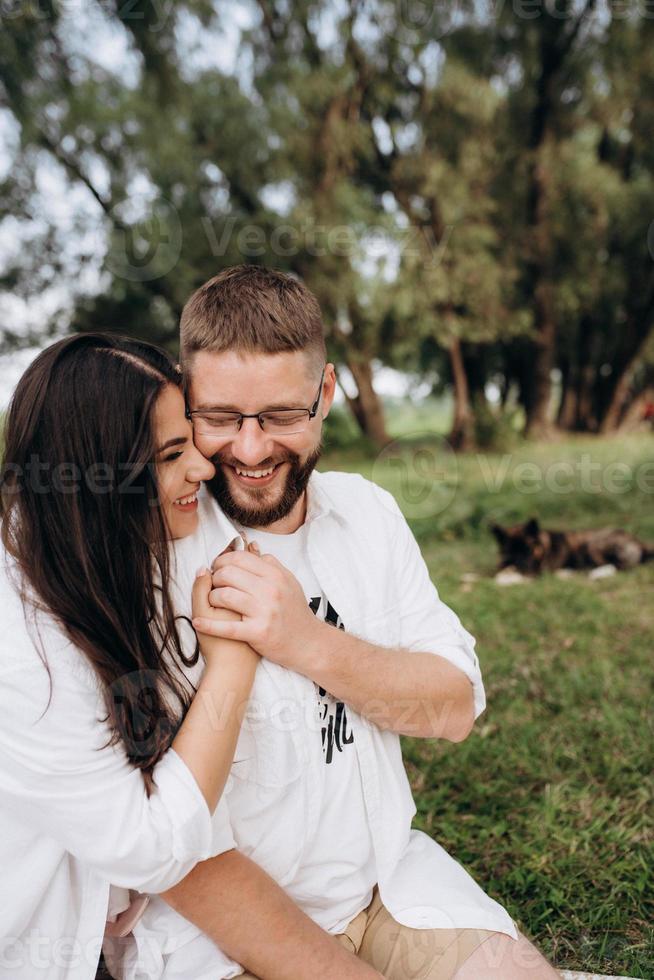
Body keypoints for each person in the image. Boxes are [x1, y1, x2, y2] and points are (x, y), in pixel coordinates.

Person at [112, 266, 561, 979]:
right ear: (183, 399)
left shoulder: (368, 514)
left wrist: (305, 641)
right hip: (214, 939)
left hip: (388, 890)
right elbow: (170, 849)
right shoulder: (148, 554)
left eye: (283, 417)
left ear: (324, 394)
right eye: (222, 418)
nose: (252, 451)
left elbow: (453, 706)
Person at [0, 333, 262, 980]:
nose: (202, 469)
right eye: (171, 454)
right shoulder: (21, 643)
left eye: (191, 442)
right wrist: (231, 667)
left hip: (118, 926)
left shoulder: (95, 550)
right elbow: (149, 848)